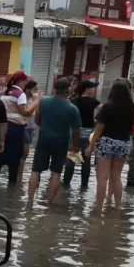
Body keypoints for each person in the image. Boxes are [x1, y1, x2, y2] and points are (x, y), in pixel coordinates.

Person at [87, 78, 134, 212]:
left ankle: (98, 209)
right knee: (116, 177)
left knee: (102, 177)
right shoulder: (133, 106)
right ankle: (116, 208)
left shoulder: (107, 106)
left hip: (106, 142)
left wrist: (91, 146)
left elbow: (99, 128)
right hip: (124, 143)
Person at [27, 77, 81, 205]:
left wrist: (44, 127)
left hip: (44, 139)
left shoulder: (43, 101)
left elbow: (37, 120)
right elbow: (76, 130)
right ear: (68, 89)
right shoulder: (72, 108)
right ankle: (49, 203)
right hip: (61, 142)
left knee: (36, 171)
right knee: (56, 173)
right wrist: (76, 146)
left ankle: (29, 202)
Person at [0, 70, 34, 185]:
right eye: (26, 81)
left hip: (2, 128)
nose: (27, 83)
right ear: (21, 81)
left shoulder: (5, 93)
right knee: (14, 159)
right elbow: (25, 112)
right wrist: (36, 102)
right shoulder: (20, 94)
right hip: (15, 129)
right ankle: (12, 189)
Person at [62, 79, 100, 189]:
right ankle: (84, 186)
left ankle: (66, 184)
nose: (94, 90)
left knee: (71, 158)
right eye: (93, 88)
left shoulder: (73, 101)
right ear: (87, 89)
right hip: (88, 133)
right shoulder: (93, 101)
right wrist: (97, 121)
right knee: (86, 160)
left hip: (74, 132)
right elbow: (104, 111)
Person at [20, 79, 41, 180]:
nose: (37, 91)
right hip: (24, 128)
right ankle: (18, 178)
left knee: (24, 156)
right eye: (35, 89)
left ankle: (19, 178)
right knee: (24, 154)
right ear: (28, 89)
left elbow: (37, 114)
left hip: (31, 128)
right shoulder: (23, 99)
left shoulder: (34, 99)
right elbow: (27, 112)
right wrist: (36, 100)